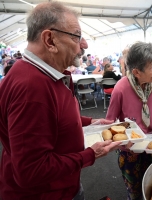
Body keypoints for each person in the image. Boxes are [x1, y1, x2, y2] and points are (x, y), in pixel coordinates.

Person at [0, 2, 121, 199]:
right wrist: (90, 154)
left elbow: (54, 119)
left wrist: (91, 122)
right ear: (49, 39)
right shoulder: (32, 88)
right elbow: (31, 171)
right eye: (76, 36)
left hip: (61, 186)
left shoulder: (43, 74)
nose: (84, 45)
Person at [106, 41, 152, 200]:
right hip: (130, 151)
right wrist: (126, 142)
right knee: (134, 192)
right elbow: (110, 124)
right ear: (136, 72)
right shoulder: (120, 88)